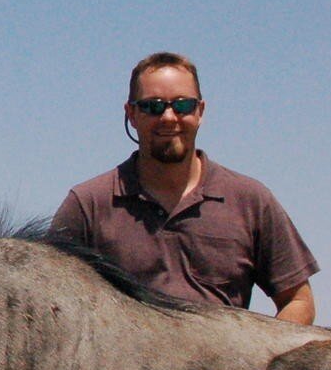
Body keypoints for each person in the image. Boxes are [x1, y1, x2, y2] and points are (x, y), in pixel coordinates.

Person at [51, 52, 317, 323]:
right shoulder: (88, 205)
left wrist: (262, 361)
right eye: (153, 107)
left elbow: (298, 300)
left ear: (200, 111)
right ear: (131, 114)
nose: (168, 117)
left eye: (182, 106)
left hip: (227, 363)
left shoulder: (251, 200)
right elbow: (50, 302)